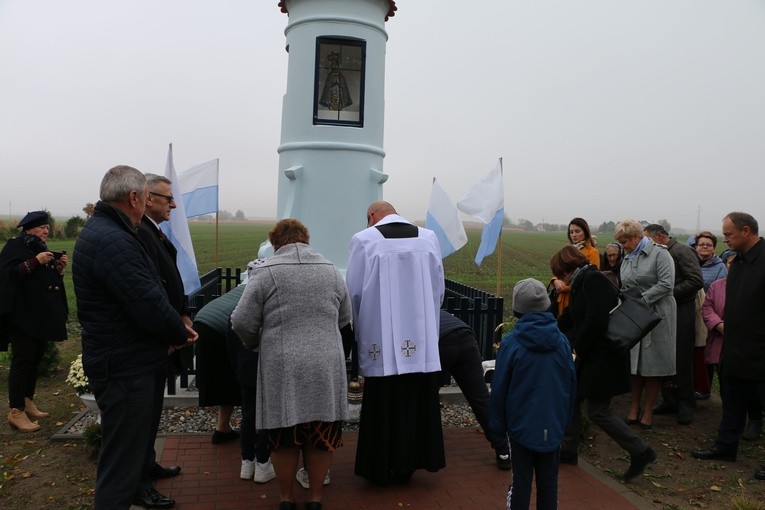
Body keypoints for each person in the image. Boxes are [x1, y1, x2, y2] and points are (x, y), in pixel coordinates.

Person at [72, 165, 197, 510]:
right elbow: (145, 299)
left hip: (125, 358)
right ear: (134, 198)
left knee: (126, 454)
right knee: (121, 467)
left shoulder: (108, 231)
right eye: (146, 197)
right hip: (125, 366)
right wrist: (178, 331)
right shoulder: (114, 239)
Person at [231, 219, 352, 510]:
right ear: (306, 240)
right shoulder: (331, 270)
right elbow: (345, 317)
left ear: (275, 244)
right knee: (321, 431)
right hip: (325, 362)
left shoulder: (266, 272)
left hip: (282, 364)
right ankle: (315, 499)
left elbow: (240, 321)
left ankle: (286, 499)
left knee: (283, 432)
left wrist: (256, 343)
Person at [347, 201, 445, 487]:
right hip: (422, 336)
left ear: (371, 217)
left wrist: (359, 326)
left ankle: (379, 465)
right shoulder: (428, 238)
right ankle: (411, 463)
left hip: (381, 338)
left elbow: (353, 291)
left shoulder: (364, 240)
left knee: (383, 400)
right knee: (416, 398)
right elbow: (438, 287)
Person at [552, 246, 657, 481]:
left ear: (568, 268)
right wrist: (548, 327)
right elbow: (573, 316)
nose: (560, 279)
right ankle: (568, 450)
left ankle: (641, 451)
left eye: (560, 273)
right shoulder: (582, 281)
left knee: (598, 411)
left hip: (604, 357)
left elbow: (595, 320)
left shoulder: (592, 280)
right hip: (594, 355)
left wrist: (577, 346)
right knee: (571, 399)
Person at [488, 278, 576, 510]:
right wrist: (565, 420)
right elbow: (571, 384)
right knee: (549, 483)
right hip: (553, 423)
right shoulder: (563, 342)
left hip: (520, 425)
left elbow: (499, 388)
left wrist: (497, 428)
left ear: (518, 309)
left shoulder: (512, 344)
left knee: (521, 483)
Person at [692, 212, 765, 481]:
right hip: (733, 348)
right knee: (731, 402)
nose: (725, 239)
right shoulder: (738, 262)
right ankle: (725, 447)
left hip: (759, 350)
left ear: (746, 231)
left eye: (728, 234)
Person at [135, 174, 189, 484]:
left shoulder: (154, 231)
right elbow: (152, 289)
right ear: (147, 198)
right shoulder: (141, 233)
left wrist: (181, 312)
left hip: (164, 331)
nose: (173, 203)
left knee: (152, 412)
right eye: (167, 198)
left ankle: (148, 464)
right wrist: (174, 325)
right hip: (154, 338)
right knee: (142, 417)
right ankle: (140, 480)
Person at [0, 211, 68, 432]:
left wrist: (58, 269)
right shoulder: (15, 247)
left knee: (35, 359)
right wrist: (34, 262)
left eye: (47, 227)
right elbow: (7, 276)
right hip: (21, 316)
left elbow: (45, 280)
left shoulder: (39, 248)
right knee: (23, 361)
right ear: (28, 229)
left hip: (39, 315)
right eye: (41, 227)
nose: (46, 231)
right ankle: (16, 412)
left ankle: (27, 400)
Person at [615, 219, 676, 430]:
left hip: (658, 315)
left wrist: (641, 300)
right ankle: (634, 406)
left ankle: (648, 409)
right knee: (634, 363)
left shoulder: (660, 254)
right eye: (620, 242)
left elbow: (667, 284)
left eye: (625, 241)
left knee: (653, 363)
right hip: (636, 316)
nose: (622, 246)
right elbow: (625, 285)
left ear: (637, 237)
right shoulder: (627, 257)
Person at [644, 224, 703, 425]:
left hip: (682, 309)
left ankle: (686, 403)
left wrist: (667, 294)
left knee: (681, 355)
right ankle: (669, 400)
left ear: (659, 236)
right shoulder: (658, 253)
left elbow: (695, 280)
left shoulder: (682, 250)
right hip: (663, 310)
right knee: (664, 352)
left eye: (648, 239)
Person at [439, 309, 510, 470]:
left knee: (426, 395)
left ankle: (427, 447)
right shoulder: (441, 312)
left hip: (441, 342)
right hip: (465, 336)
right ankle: (503, 450)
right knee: (480, 398)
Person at [691, 231, 727, 400]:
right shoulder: (692, 264)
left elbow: (721, 292)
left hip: (711, 314)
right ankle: (696, 385)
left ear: (714, 248)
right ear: (696, 247)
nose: (704, 247)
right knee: (695, 351)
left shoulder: (720, 267)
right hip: (693, 312)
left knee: (708, 351)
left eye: (708, 244)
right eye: (701, 244)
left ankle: (705, 387)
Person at [551, 218, 600, 317]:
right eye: (571, 232)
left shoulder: (592, 252)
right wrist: (555, 281)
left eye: (577, 231)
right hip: (562, 299)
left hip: (578, 299)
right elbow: (559, 270)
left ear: (585, 232)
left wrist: (564, 288)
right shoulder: (567, 250)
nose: (574, 235)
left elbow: (590, 279)